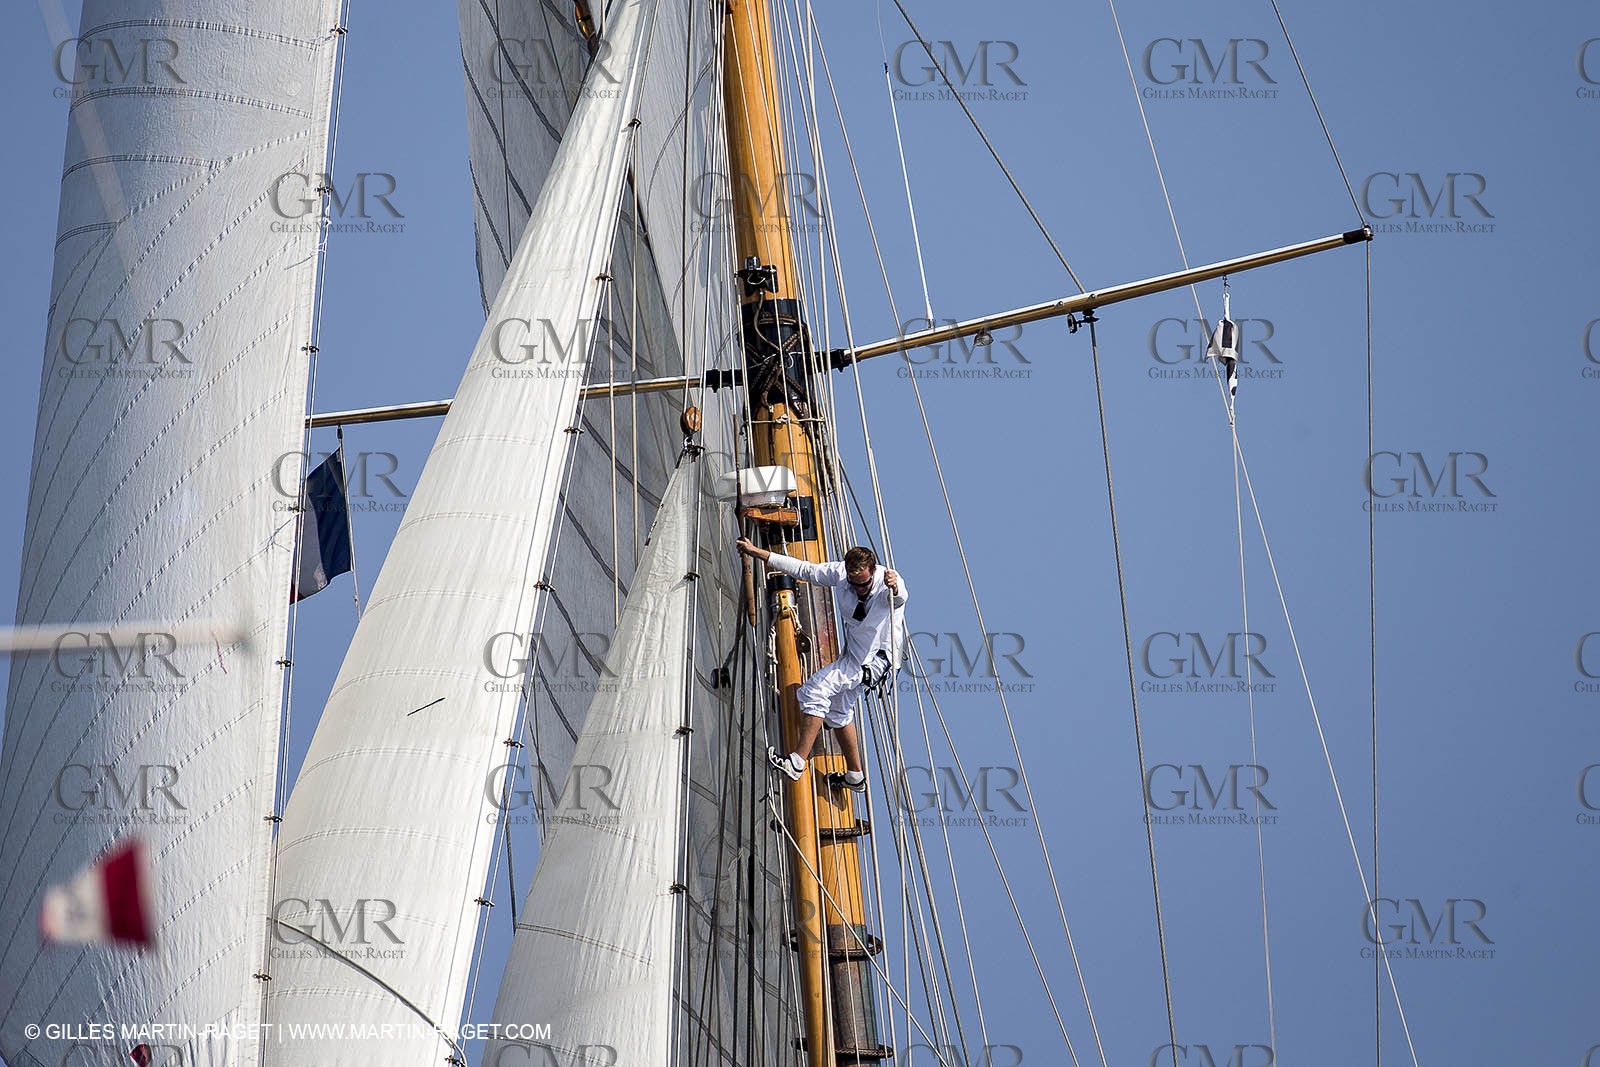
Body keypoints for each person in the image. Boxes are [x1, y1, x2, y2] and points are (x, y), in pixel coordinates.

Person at [734, 537, 908, 792]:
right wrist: (755, 552)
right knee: (838, 711)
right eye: (854, 583)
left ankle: (796, 762)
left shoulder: (888, 582)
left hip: (877, 660)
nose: (860, 589)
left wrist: (894, 588)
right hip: (855, 655)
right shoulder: (841, 575)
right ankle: (855, 777)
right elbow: (805, 570)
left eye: (864, 584)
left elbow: (901, 596)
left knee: (815, 690)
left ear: (873, 572)